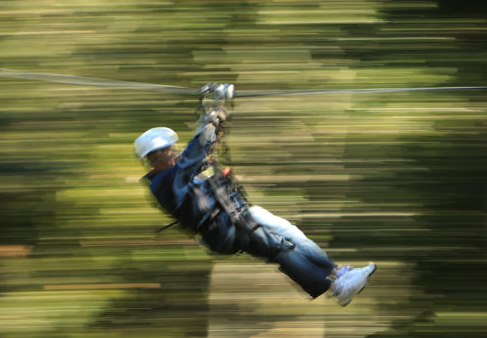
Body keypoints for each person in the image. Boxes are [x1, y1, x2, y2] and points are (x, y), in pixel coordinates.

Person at [135, 84, 375, 305]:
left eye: (173, 149)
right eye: (169, 151)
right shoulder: (163, 182)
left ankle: (339, 273)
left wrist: (212, 120)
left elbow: (199, 156)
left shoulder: (174, 174)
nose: (174, 153)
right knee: (280, 247)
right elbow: (192, 156)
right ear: (156, 159)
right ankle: (335, 286)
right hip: (224, 228)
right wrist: (210, 120)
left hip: (233, 215)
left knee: (288, 231)